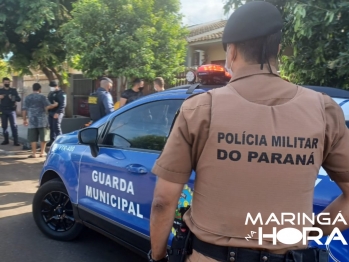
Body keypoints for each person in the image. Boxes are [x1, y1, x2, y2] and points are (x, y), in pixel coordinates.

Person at [148, 2, 349, 262]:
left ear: (231, 52)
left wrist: (158, 256)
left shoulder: (199, 109)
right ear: (277, 49)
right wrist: (308, 232)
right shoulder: (324, 110)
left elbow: (163, 201)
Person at [22, 83, 58, 158]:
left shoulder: (27, 97)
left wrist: (24, 119)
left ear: (33, 89)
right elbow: (48, 106)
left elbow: (24, 109)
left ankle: (34, 153)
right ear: (40, 89)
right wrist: (55, 105)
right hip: (42, 120)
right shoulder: (42, 97)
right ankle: (42, 152)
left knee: (33, 137)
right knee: (44, 136)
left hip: (32, 120)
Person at [0, 77, 21, 146]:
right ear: (3, 83)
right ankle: (6, 140)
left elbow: (18, 99)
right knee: (4, 126)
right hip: (3, 110)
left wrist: (12, 97)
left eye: (8, 82)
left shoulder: (13, 90)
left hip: (11, 110)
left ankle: (16, 141)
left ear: (10, 83)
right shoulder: (1, 90)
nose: (7, 84)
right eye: (5, 83)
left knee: (14, 126)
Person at [47, 80, 66, 147]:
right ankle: (52, 140)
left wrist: (58, 112)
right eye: (51, 86)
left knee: (56, 127)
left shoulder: (61, 93)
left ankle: (61, 142)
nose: (51, 88)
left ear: (57, 86)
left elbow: (63, 104)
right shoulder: (51, 93)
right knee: (51, 127)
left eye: (53, 86)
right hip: (51, 112)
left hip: (58, 112)